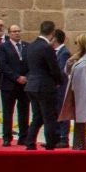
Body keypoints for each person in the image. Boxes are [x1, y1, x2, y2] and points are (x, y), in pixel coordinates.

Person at [22, 19, 65, 150]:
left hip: (32, 85)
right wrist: (59, 82)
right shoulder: (46, 47)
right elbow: (54, 68)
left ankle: (29, 142)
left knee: (38, 116)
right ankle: (51, 143)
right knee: (49, 117)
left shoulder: (31, 45)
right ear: (52, 33)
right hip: (44, 86)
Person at [0, 22, 30, 146]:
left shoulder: (26, 46)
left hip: (24, 84)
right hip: (9, 84)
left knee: (24, 111)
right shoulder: (3, 47)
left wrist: (26, 77)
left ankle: (23, 136)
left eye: (18, 31)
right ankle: (7, 137)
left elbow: (31, 63)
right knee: (8, 111)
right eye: (14, 31)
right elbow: (3, 65)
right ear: (9, 34)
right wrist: (16, 77)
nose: (17, 33)